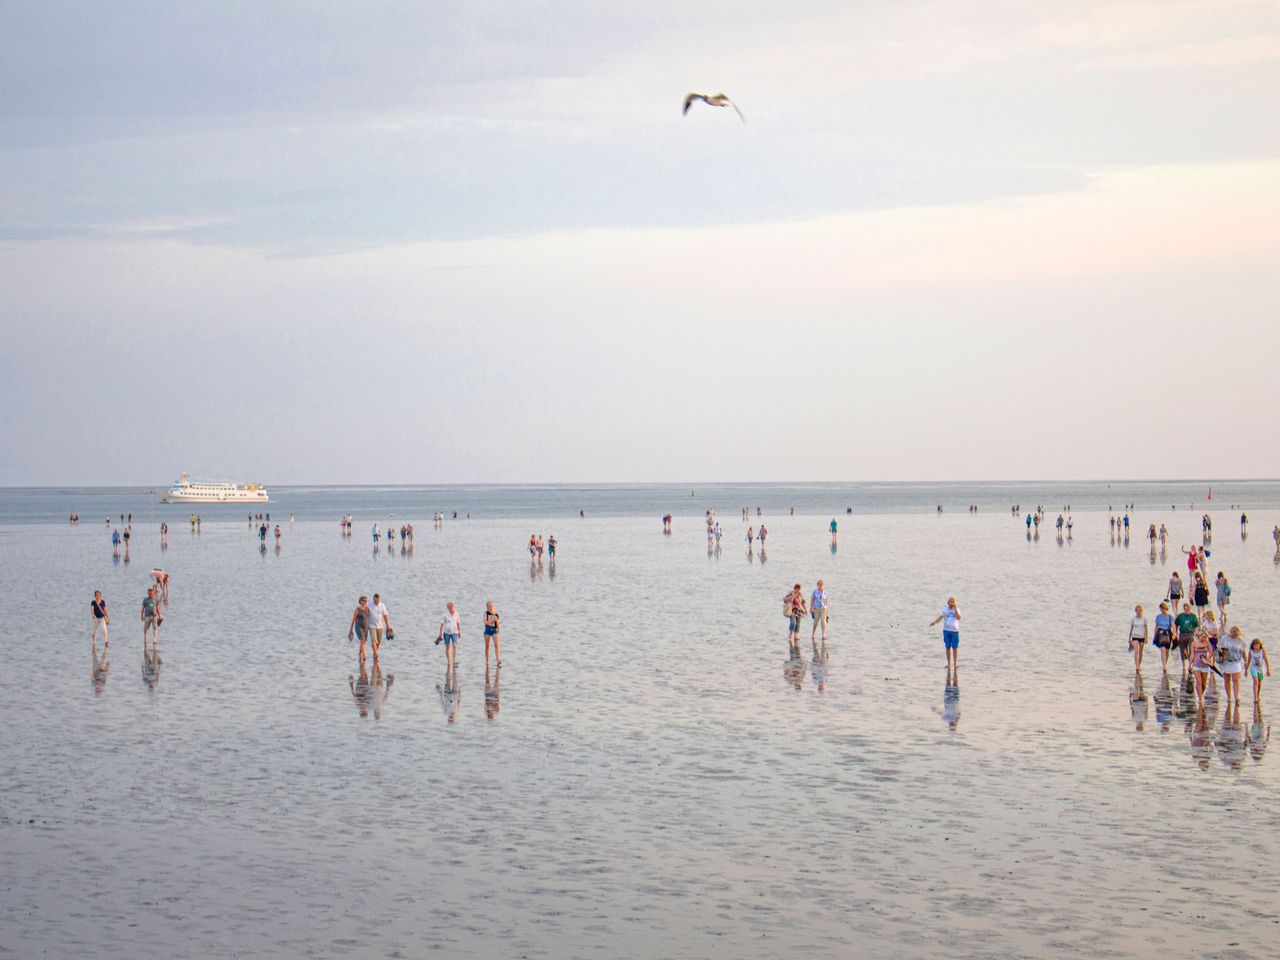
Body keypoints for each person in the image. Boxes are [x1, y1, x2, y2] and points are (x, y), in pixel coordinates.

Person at [1217, 625, 1247, 705]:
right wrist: (1220, 650)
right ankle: (1229, 697)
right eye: (1234, 634)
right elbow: (1218, 647)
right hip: (1226, 661)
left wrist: (1246, 661)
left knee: (1236, 679)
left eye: (1236, 635)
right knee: (1227, 680)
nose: (1235, 636)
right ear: (1231, 632)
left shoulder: (1240, 640)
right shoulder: (1225, 638)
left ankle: (1237, 697)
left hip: (1236, 661)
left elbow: (1243, 651)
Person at [930, 596, 962, 668]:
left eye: (953, 602)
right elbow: (940, 617)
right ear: (948, 603)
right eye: (950, 602)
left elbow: (958, 617)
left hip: (955, 631)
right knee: (947, 647)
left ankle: (955, 663)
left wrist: (955, 608)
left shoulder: (957, 609)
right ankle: (949, 664)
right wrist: (934, 622)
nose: (951, 603)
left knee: (955, 647)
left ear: (954, 603)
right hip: (946, 630)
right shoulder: (945, 610)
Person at [1188, 627, 1214, 706]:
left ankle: (1200, 694)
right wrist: (1190, 664)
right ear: (1199, 636)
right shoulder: (1194, 643)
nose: (1204, 638)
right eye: (1203, 637)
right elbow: (1192, 654)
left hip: (1204, 665)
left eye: (1205, 637)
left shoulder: (1207, 643)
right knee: (1199, 681)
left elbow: (1211, 652)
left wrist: (1208, 659)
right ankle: (1200, 698)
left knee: (1204, 684)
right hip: (1196, 665)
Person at [1174, 603, 1200, 673]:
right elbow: (1175, 624)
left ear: (1190, 609)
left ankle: (1191, 664)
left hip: (1190, 634)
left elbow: (1197, 626)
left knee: (1191, 649)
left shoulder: (1193, 616)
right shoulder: (1181, 616)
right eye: (1185, 609)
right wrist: (1175, 633)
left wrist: (1194, 633)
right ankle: (1184, 665)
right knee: (1183, 650)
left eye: (1188, 609)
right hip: (1182, 634)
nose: (1187, 610)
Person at [437, 601, 461, 668]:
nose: (451, 608)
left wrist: (459, 632)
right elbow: (442, 624)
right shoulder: (445, 614)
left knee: (454, 646)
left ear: (454, 607)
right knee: (447, 647)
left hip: (455, 632)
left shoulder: (457, 614)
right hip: (446, 632)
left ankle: (454, 661)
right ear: (447, 608)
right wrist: (440, 633)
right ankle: (448, 662)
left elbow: (458, 623)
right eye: (449, 607)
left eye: (452, 607)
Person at [348, 595, 372, 661]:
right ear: (361, 601)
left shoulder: (367, 609)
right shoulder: (357, 609)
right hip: (359, 627)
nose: (365, 602)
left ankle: (360, 653)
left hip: (366, 627)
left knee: (363, 641)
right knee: (362, 639)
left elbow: (369, 618)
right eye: (364, 601)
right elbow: (353, 620)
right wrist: (351, 630)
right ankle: (364, 655)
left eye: (366, 601)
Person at [783, 583, 807, 649]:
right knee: (793, 623)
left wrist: (806, 610)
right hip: (792, 610)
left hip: (799, 611)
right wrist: (792, 597)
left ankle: (796, 636)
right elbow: (784, 599)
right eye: (796, 589)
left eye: (799, 589)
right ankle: (790, 633)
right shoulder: (790, 593)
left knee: (798, 624)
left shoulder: (800, 594)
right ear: (794, 588)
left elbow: (803, 602)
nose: (797, 590)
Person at [1152, 602, 1174, 672]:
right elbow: (1156, 627)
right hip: (1160, 633)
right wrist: (1155, 635)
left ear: (1166, 609)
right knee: (1162, 649)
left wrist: (1175, 634)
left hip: (1168, 633)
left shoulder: (1170, 617)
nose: (1162, 610)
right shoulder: (1158, 617)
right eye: (1161, 609)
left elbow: (1173, 626)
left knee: (1167, 650)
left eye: (1164, 609)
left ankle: (1165, 663)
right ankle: (1164, 666)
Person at [369, 593, 391, 659]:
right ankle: (376, 654)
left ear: (379, 599)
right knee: (374, 640)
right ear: (373, 599)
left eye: (378, 600)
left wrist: (388, 625)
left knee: (378, 642)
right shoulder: (369, 605)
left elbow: (385, 615)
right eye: (375, 600)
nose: (376, 601)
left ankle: (374, 653)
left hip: (380, 626)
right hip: (371, 626)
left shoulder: (382, 605)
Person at [1128, 604, 1148, 671]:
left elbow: (1146, 629)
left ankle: (1139, 665)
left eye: (1140, 610)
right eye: (1138, 610)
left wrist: (1146, 638)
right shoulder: (1133, 619)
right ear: (1135, 611)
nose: (1139, 612)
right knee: (1136, 651)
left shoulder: (1144, 619)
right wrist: (1129, 638)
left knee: (1141, 652)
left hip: (1142, 637)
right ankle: (1136, 666)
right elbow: (1131, 629)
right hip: (1135, 636)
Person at [810, 579, 829, 645]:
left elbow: (826, 601)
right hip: (816, 608)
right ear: (817, 585)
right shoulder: (814, 592)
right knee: (816, 622)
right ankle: (813, 634)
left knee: (823, 622)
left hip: (824, 608)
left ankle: (823, 635)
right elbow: (812, 600)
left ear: (823, 585)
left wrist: (827, 611)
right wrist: (811, 608)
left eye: (822, 585)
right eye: (819, 585)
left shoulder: (825, 592)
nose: (820, 586)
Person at [483, 601, 502, 667]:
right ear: (487, 606)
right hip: (487, 630)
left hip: (494, 630)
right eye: (489, 606)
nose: (490, 607)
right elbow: (485, 622)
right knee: (487, 646)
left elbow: (497, 622)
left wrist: (498, 628)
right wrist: (492, 620)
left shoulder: (496, 613)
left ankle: (498, 661)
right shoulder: (486, 613)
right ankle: (487, 661)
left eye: (491, 606)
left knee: (497, 646)